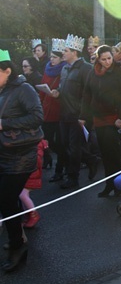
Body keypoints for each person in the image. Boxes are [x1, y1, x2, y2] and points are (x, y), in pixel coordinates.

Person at [0, 49, 44, 272]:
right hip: (3, 153)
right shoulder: (2, 89)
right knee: (8, 201)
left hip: (21, 155)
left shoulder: (24, 89)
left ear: (8, 71)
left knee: (6, 200)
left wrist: (4, 124)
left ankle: (18, 247)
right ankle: (17, 237)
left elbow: (37, 117)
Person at [80, 45, 121, 197]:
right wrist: (83, 116)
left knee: (114, 154)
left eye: (109, 58)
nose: (107, 61)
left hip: (113, 117)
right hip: (99, 117)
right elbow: (87, 95)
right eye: (104, 59)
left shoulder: (120, 72)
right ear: (98, 59)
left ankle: (118, 185)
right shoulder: (93, 73)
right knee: (105, 153)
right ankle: (109, 184)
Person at [51, 35, 98, 189]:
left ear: (74, 52)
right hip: (64, 113)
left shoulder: (86, 69)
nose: (62, 53)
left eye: (65, 50)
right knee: (64, 145)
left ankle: (73, 177)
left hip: (77, 114)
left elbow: (90, 93)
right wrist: (57, 92)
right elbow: (64, 87)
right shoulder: (65, 68)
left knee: (74, 147)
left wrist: (84, 115)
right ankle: (90, 160)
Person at [41, 39, 66, 179]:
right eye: (51, 57)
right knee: (47, 139)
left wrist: (58, 92)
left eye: (55, 57)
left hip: (59, 109)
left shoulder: (64, 69)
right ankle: (51, 158)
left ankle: (59, 169)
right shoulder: (47, 69)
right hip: (46, 109)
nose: (52, 59)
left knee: (61, 142)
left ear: (61, 58)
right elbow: (42, 87)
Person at [19, 139, 47, 229]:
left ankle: (33, 214)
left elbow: (36, 160)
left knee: (23, 195)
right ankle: (28, 214)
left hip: (30, 173)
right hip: (27, 172)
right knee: (22, 194)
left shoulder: (34, 145)